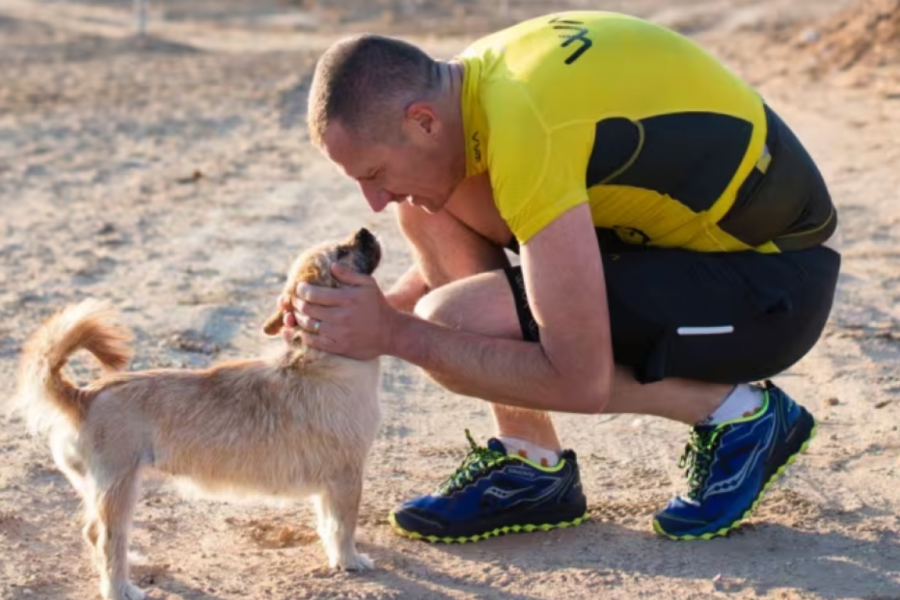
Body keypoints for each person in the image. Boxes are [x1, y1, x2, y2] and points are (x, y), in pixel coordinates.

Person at [279, 10, 842, 543]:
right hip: (688, 247)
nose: (371, 201)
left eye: (374, 173)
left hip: (774, 285)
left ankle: (740, 416)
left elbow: (579, 380)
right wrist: (358, 309)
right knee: (427, 204)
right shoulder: (479, 82)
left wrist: (398, 335)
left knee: (453, 323)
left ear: (422, 120)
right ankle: (533, 468)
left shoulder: (530, 128)